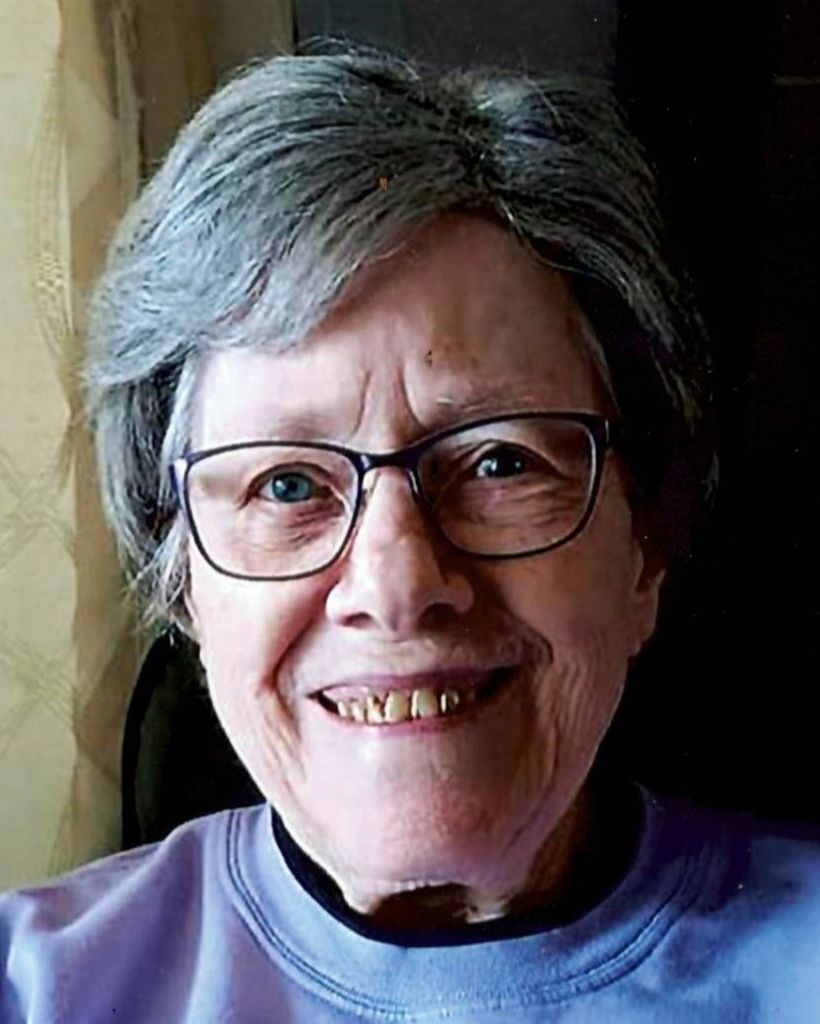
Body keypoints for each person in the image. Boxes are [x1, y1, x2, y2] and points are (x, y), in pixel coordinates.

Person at [2, 45, 819, 1024]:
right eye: (287, 484)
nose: (396, 586)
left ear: (644, 551)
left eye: (499, 462)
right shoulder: (31, 986)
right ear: (183, 587)